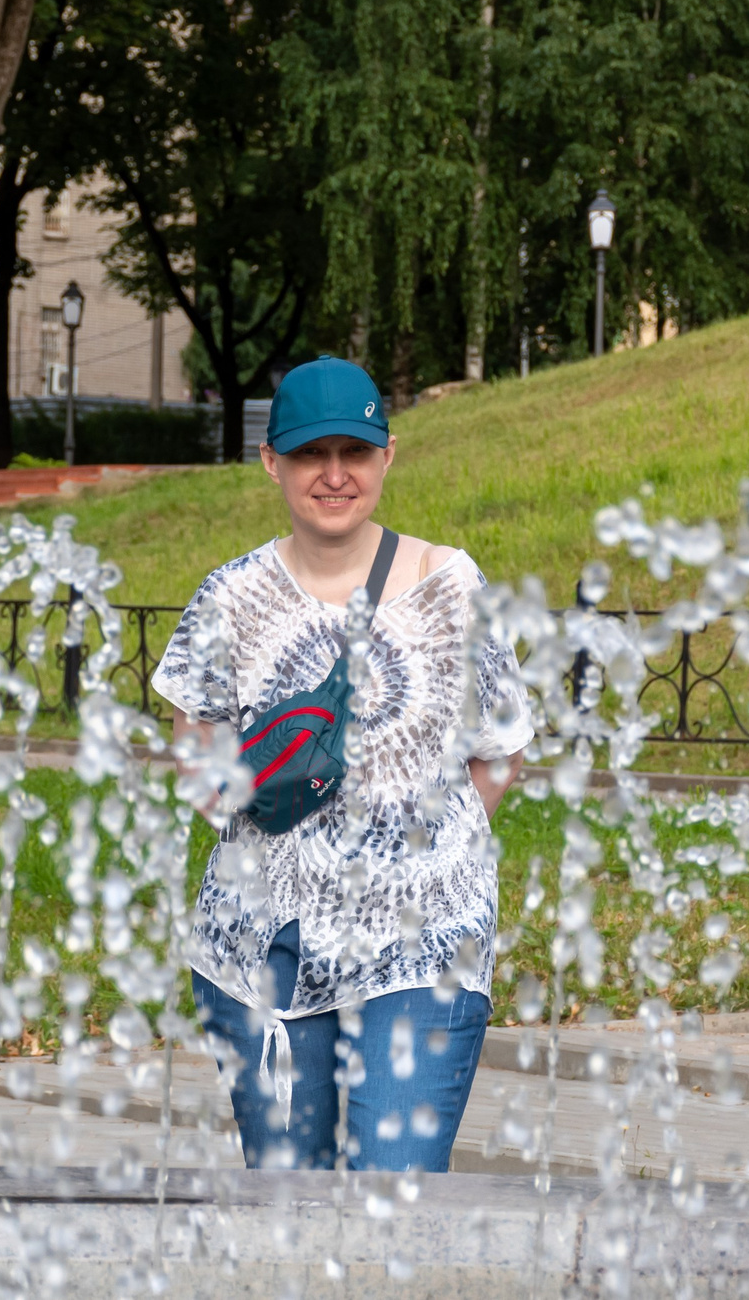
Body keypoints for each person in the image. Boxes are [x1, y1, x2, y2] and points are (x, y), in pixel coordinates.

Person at [149, 355, 532, 1174]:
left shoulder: (449, 585)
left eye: (353, 452)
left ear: (387, 455)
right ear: (271, 462)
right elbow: (196, 762)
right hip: (265, 950)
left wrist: (415, 860)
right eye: (309, 454)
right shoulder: (231, 598)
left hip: (425, 945)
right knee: (291, 1208)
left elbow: (498, 754)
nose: (333, 474)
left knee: (393, 1192)